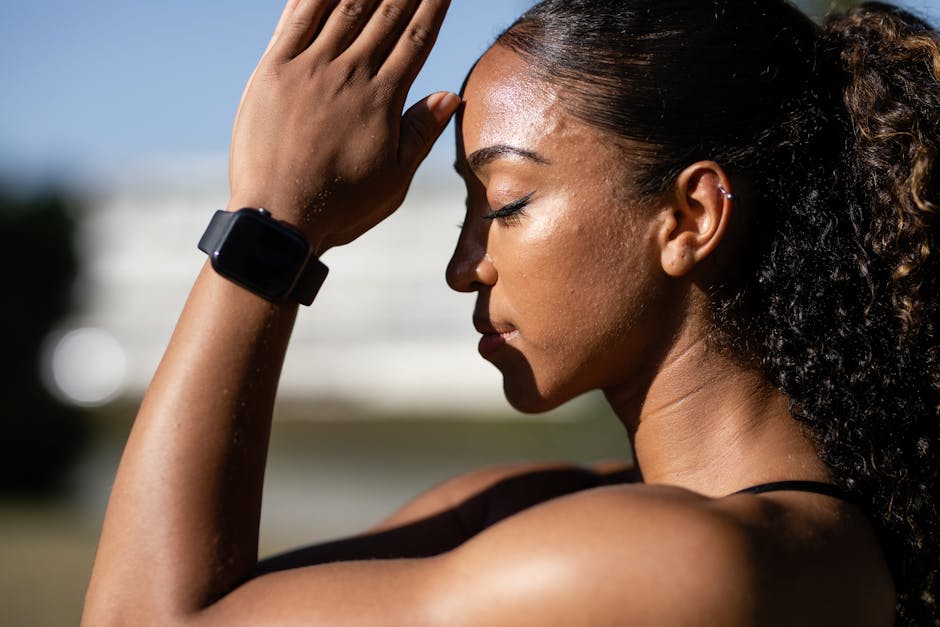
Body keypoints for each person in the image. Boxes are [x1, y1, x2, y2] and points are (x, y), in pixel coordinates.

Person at [82, 0, 939, 624]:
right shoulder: (542, 506)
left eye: (505, 202)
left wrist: (272, 223)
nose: (465, 268)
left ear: (690, 219)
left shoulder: (686, 562)